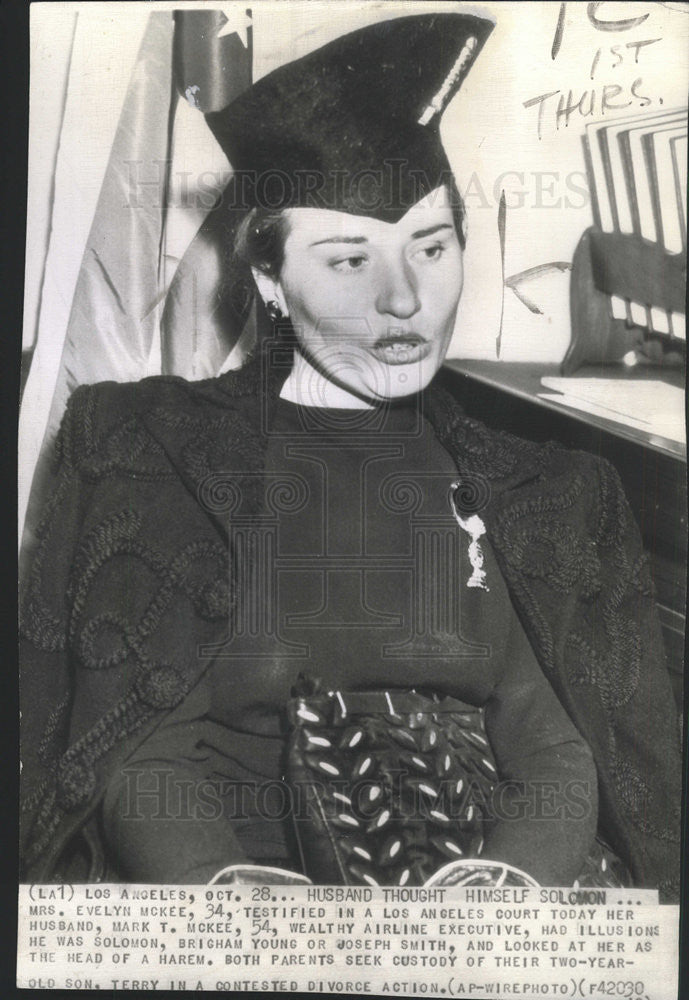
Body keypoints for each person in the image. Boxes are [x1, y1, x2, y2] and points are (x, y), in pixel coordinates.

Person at [19, 11, 681, 897]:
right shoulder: (151, 453)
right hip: (229, 879)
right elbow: (146, 755)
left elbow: (558, 749)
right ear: (268, 280)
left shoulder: (543, 489)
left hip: (475, 887)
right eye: (346, 260)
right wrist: (234, 898)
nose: (404, 298)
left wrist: (505, 886)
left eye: (430, 247)